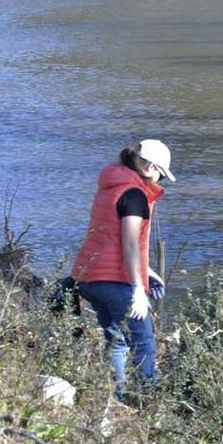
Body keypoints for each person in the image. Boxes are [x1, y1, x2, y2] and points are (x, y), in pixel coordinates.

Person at [70, 139, 175, 399]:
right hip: (115, 281)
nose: (159, 179)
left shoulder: (111, 185)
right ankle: (149, 400)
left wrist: (147, 270)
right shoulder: (134, 195)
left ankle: (115, 398)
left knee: (118, 340)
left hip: (88, 277)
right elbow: (129, 242)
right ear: (149, 167)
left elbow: (110, 237)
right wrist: (138, 289)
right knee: (144, 342)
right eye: (161, 173)